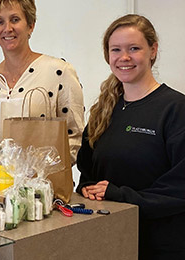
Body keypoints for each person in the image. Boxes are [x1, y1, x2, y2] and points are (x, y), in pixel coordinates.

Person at [76, 14, 185, 259]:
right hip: (110, 238)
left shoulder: (175, 108)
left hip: (161, 244)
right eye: (116, 49)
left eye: (134, 48)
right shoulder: (103, 110)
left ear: (153, 50)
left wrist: (119, 194)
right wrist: (88, 188)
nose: (124, 58)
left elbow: (179, 187)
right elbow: (88, 170)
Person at [0, 0, 84, 165]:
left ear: (31, 25)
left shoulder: (59, 72)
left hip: (43, 186)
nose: (7, 28)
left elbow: (74, 137)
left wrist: (41, 174)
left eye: (15, 19)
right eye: (0, 22)